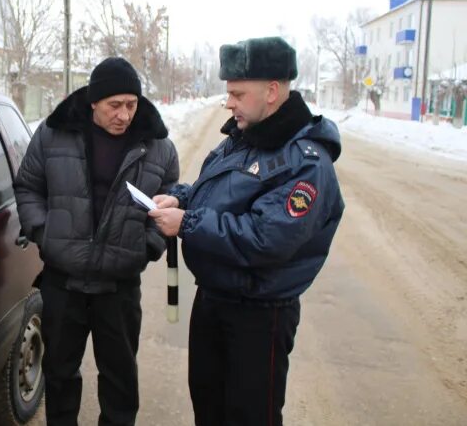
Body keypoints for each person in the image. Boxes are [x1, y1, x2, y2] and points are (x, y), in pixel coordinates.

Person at [148, 37, 345, 426]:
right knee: (209, 406)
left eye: (238, 93)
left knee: (250, 415)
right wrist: (182, 199)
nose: (229, 103)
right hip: (215, 301)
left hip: (258, 315)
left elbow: (267, 237)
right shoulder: (242, 140)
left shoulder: (306, 162)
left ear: (272, 91)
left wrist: (187, 222)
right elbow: (220, 195)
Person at [14, 57, 179, 426]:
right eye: (114, 106)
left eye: (131, 105)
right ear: (93, 102)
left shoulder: (157, 146)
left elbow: (170, 197)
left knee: (120, 380)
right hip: (63, 283)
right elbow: (28, 186)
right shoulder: (54, 133)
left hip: (118, 287)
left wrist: (148, 246)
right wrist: (44, 233)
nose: (124, 115)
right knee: (59, 375)